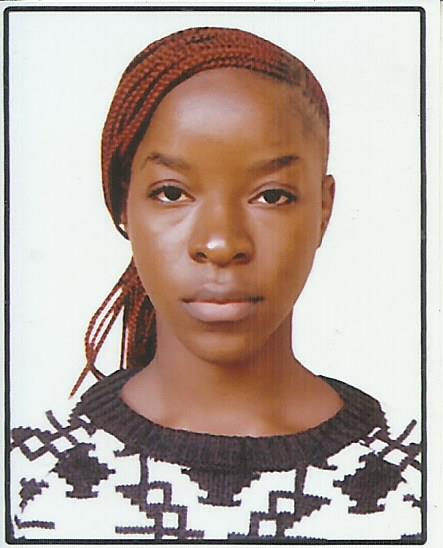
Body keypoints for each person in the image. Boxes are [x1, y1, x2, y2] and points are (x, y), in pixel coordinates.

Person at [9, 27, 421, 541]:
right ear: (123, 205)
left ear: (323, 209)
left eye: (271, 196)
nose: (221, 243)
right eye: (171, 193)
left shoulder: (419, 485)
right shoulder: (23, 483)